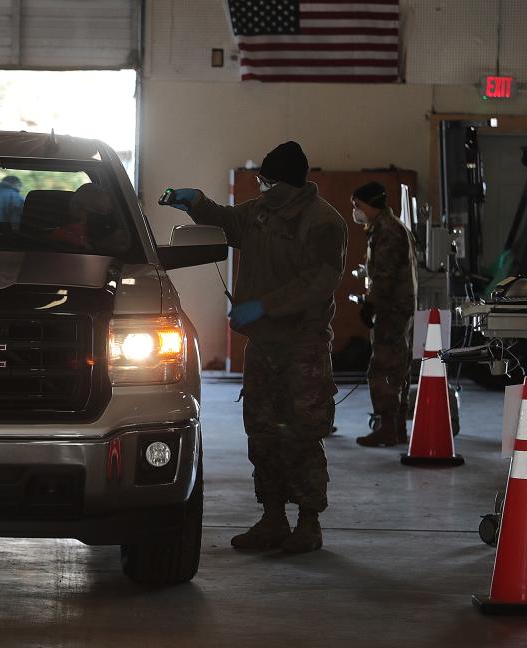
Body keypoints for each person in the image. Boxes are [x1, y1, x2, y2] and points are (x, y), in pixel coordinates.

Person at [163, 141, 347, 553]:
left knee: (302, 433)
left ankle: (308, 523)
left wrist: (264, 305)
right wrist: (197, 204)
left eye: (266, 179)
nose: (260, 185)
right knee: (262, 432)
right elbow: (228, 223)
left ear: (283, 181)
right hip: (263, 346)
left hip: (302, 346)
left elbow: (319, 281)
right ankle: (272, 517)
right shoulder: (260, 212)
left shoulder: (323, 222)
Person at [351, 181, 418, 447]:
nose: (355, 211)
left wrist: (371, 304)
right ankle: (396, 427)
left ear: (371, 204)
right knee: (398, 367)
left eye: (358, 206)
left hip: (391, 310)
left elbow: (384, 275)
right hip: (397, 308)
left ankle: (388, 427)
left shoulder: (387, 232)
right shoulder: (386, 228)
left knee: (383, 368)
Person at [49, 183, 114, 250]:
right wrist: (101, 245)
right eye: (98, 210)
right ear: (78, 210)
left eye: (109, 212)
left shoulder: (104, 231)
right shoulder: (64, 235)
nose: (104, 216)